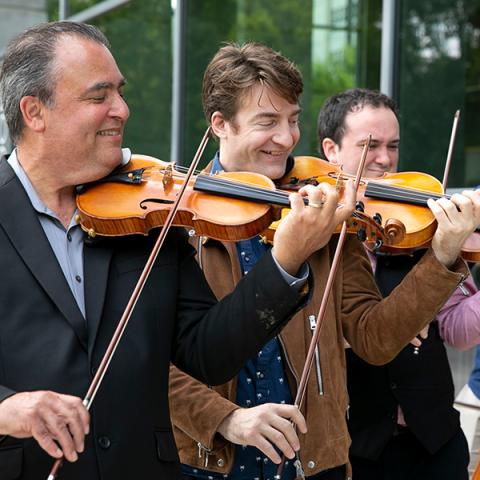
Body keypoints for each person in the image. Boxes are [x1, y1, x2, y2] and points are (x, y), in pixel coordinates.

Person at [0, 22, 367, 480]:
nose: (122, 109)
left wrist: (284, 261)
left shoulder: (147, 216)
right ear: (35, 112)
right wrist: (6, 410)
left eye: (120, 92)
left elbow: (207, 352)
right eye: (99, 97)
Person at [168, 45, 480, 480]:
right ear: (220, 124)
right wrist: (225, 418)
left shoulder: (325, 213)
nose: (287, 137)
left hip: (315, 463)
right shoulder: (178, 220)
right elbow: (147, 362)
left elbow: (374, 337)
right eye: (267, 121)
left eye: (293, 119)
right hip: (212, 464)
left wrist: (443, 254)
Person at [317, 87, 477, 480]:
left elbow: (457, 330)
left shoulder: (418, 224)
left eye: (393, 145)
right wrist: (387, 326)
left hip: (435, 444)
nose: (385, 160)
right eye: (370, 145)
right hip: (354, 451)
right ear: (331, 150)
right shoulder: (313, 233)